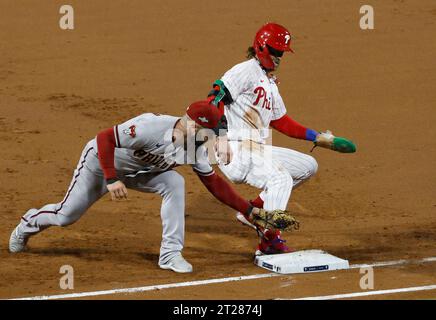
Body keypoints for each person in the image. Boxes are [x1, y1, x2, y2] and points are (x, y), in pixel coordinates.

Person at [9, 101, 268, 273]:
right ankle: (26, 225)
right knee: (66, 216)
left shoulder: (195, 144)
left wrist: (247, 209)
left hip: (139, 173)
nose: (211, 138)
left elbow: (213, 183)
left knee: (174, 182)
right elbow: (105, 138)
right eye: (209, 132)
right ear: (194, 124)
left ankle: (169, 254)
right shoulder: (150, 127)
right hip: (100, 164)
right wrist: (110, 178)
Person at [206, 23, 356, 255]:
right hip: (234, 150)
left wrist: (317, 137)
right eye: (275, 51)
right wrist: (220, 137)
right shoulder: (245, 71)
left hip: (256, 150)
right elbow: (214, 99)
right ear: (261, 47)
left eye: (282, 53)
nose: (279, 57)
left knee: (308, 166)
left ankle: (253, 212)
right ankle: (270, 240)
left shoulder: (270, 83)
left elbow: (280, 121)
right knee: (280, 178)